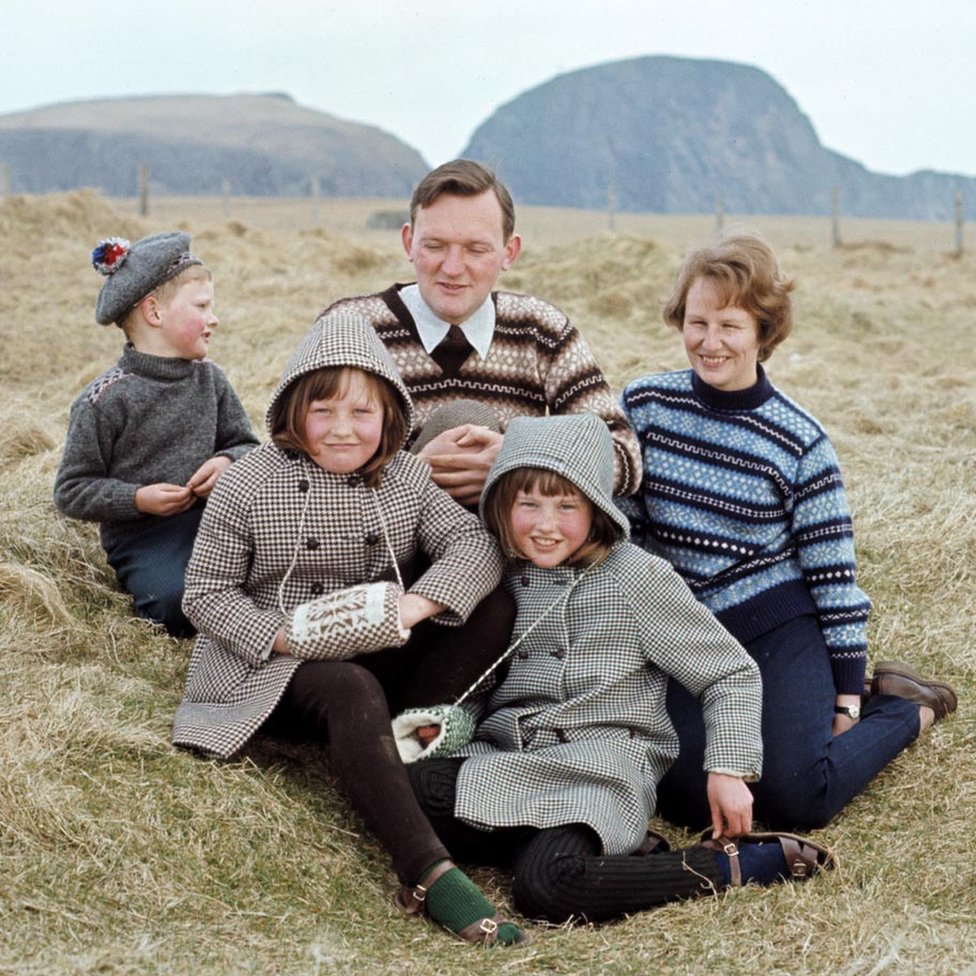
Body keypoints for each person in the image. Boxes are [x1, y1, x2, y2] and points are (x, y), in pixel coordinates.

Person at [399, 413, 834, 926]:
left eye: (567, 506)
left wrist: (728, 769)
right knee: (407, 790)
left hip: (599, 771)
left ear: (596, 509)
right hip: (510, 758)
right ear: (502, 503)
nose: (544, 525)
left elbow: (728, 673)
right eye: (528, 504)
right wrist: (443, 726)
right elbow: (482, 678)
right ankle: (598, 853)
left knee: (544, 888)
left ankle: (727, 866)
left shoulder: (637, 577)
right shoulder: (504, 571)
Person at [172, 311, 523, 946]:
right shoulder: (248, 481)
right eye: (323, 411)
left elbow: (474, 543)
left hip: (377, 634)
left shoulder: (406, 476)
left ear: (390, 416)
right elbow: (204, 594)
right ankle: (427, 868)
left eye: (362, 414)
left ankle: (413, 746)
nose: (341, 430)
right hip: (278, 662)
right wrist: (280, 636)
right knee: (350, 687)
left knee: (491, 603)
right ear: (293, 412)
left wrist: (417, 606)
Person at [619, 233, 958, 832]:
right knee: (681, 794)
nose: (709, 341)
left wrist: (848, 698)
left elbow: (834, 579)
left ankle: (904, 709)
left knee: (797, 798)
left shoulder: (801, 441)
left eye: (729, 325)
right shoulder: (645, 406)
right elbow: (632, 533)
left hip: (775, 626)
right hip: (686, 632)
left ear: (763, 330)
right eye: (697, 322)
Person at [318, 158, 641, 507]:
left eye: (476, 249)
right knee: (465, 419)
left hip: (515, 548)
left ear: (509, 252)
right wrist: (414, 475)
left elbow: (624, 456)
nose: (453, 268)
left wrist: (517, 460)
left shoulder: (541, 331)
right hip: (386, 546)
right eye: (435, 246)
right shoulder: (349, 328)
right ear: (409, 242)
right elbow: (290, 467)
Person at [53, 232, 258, 636]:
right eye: (202, 306)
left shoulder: (211, 380)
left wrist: (225, 461)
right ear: (154, 312)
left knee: (283, 562)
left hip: (220, 520)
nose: (214, 318)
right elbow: (72, 490)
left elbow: (246, 444)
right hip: (146, 539)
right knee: (175, 601)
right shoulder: (103, 400)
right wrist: (137, 499)